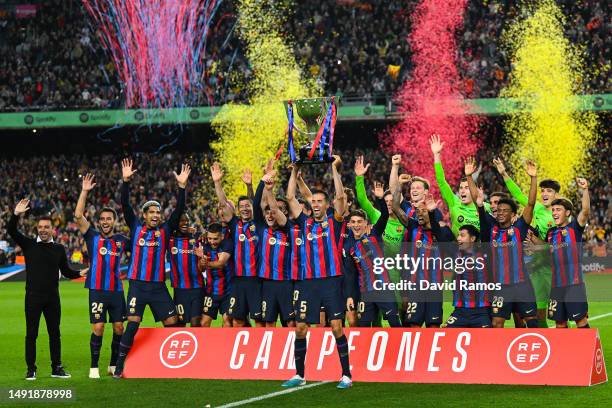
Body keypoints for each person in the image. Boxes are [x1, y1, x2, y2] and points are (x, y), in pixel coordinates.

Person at [113, 159, 191, 378]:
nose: (156, 215)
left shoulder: (165, 231)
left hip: (158, 287)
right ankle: (120, 365)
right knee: (133, 324)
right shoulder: (136, 227)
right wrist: (126, 182)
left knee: (173, 323)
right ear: (144, 215)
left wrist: (182, 187)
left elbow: (178, 211)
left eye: (158, 212)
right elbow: (125, 206)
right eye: (152, 212)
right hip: (138, 286)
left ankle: (177, 363)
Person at [282, 158, 352, 389]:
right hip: (308, 283)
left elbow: (341, 198)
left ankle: (346, 375)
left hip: (331, 282)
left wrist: (334, 169)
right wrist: (294, 173)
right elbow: (291, 198)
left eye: (321, 201)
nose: (317, 205)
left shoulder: (335, 221)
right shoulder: (304, 222)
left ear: (326, 204)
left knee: (336, 327)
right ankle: (300, 374)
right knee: (300, 328)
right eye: (314, 202)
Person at [8, 199, 86, 380]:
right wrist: (16, 214)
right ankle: (31, 369)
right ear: (37, 228)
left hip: (53, 298)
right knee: (31, 335)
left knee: (55, 334)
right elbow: (11, 230)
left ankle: (56, 368)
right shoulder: (29, 245)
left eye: (46, 227)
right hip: (33, 298)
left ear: (53, 229)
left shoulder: (59, 249)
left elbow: (66, 271)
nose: (43, 229)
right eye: (40, 227)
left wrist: (79, 273)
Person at [466, 157, 538, 328]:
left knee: (531, 322)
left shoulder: (519, 227)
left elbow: (531, 203)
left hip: (522, 284)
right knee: (496, 323)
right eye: (498, 210)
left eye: (505, 210)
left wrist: (533, 178)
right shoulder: (491, 227)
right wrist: (469, 177)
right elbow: (477, 201)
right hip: (500, 286)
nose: (500, 212)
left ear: (513, 214)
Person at [493, 157, 559, 327]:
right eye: (542, 191)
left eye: (549, 191)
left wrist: (539, 244)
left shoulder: (563, 213)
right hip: (538, 267)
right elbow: (518, 195)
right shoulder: (536, 208)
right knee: (538, 313)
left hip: (556, 266)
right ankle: (540, 345)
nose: (544, 194)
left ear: (556, 195)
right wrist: (504, 173)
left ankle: (565, 346)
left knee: (561, 315)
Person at [74, 173, 128, 378]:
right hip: (97, 290)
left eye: (109, 219)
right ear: (99, 222)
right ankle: (94, 366)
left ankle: (113, 365)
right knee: (98, 327)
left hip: (116, 290)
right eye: (103, 219)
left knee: (119, 327)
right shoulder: (92, 236)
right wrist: (85, 191)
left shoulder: (122, 239)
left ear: (114, 221)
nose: (106, 222)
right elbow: (78, 216)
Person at [212, 162, 264, 327]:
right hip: (237, 280)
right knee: (237, 320)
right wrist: (217, 183)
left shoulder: (259, 223)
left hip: (256, 279)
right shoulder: (235, 224)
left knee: (260, 321)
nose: (244, 209)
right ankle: (243, 351)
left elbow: (255, 203)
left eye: (247, 206)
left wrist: (249, 186)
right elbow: (223, 203)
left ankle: (260, 351)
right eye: (241, 207)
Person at [392, 190, 453, 328]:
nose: (419, 213)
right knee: (413, 324)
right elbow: (396, 208)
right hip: (415, 287)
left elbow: (447, 247)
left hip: (434, 288)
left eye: (423, 211)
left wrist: (432, 213)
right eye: (417, 211)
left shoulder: (443, 232)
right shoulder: (413, 227)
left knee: (433, 326)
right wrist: (395, 170)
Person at [343, 181, 401, 327]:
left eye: (360, 222)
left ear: (365, 223)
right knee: (364, 327)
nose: (356, 225)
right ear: (349, 225)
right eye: (353, 222)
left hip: (384, 289)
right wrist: (350, 296)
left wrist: (380, 199)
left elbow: (384, 218)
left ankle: (400, 350)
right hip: (366, 293)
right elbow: (350, 275)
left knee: (395, 324)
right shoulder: (349, 247)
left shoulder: (374, 234)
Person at [544, 178, 591, 328]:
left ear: (568, 213)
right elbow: (546, 249)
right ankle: (563, 352)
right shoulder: (550, 233)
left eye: (558, 210)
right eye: (553, 210)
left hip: (574, 285)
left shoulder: (574, 228)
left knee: (580, 321)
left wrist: (584, 190)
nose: (554, 213)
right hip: (556, 286)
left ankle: (587, 351)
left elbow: (585, 211)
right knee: (560, 323)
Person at [257, 171, 296, 327]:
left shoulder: (290, 229)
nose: (273, 213)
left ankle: (292, 350)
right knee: (269, 322)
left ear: (285, 212)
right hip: (268, 283)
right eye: (272, 211)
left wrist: (269, 191)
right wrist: (264, 185)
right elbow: (258, 205)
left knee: (291, 322)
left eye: (280, 210)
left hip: (286, 282)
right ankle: (271, 351)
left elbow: (274, 209)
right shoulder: (262, 229)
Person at [430, 134, 490, 236]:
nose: (462, 190)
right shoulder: (454, 202)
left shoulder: (486, 207)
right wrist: (436, 155)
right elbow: (441, 181)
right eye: (461, 188)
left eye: (467, 188)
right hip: (457, 250)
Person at [444, 225, 492, 328]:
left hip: (482, 311)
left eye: (462, 235)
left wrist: (480, 209)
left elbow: (485, 233)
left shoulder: (485, 254)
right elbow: (441, 237)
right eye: (458, 235)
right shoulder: (456, 254)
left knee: (487, 341)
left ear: (473, 238)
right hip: (460, 311)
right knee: (446, 335)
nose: (458, 238)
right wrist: (432, 214)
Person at [168, 213, 204, 327]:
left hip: (197, 288)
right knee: (180, 324)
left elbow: (202, 266)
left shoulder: (196, 239)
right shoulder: (169, 240)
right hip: (180, 290)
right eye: (182, 221)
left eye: (187, 220)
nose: (185, 223)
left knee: (195, 323)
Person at [198, 223, 233, 328]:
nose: (212, 241)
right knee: (203, 323)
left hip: (227, 292)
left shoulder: (227, 244)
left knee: (228, 322)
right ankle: (206, 345)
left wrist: (207, 263)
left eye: (215, 239)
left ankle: (225, 344)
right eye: (210, 238)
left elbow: (221, 263)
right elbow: (201, 269)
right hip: (211, 292)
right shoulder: (204, 244)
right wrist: (201, 263)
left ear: (221, 236)